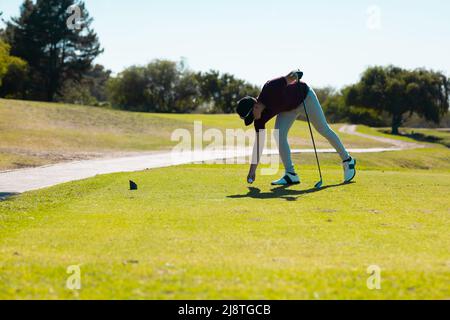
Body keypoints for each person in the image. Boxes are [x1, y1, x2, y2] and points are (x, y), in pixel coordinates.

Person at [236, 71, 356, 186]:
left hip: (304, 97)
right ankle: (291, 174)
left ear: (255, 107)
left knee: (323, 129)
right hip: (288, 109)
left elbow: (290, 77)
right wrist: (252, 171)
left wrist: (296, 73)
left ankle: (347, 160)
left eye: (251, 117)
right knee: (279, 134)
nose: (253, 120)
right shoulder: (259, 120)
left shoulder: (270, 87)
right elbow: (259, 144)